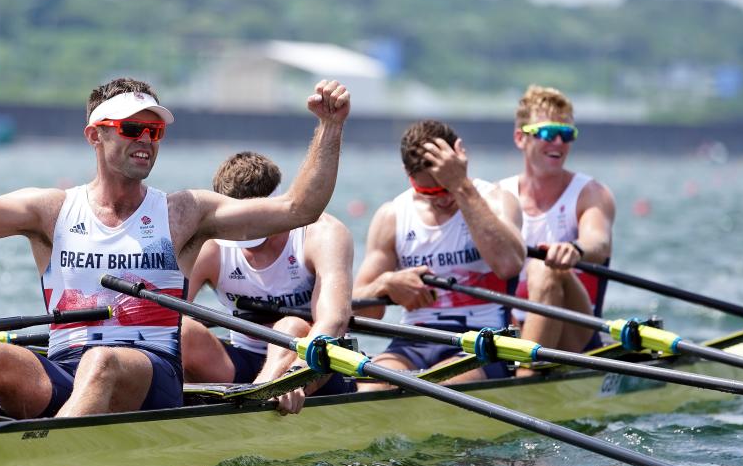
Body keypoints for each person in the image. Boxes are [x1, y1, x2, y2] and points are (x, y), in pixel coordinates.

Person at [0, 71, 350, 419]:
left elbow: (299, 208)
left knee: (101, 362)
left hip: (151, 375)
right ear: (95, 136)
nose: (145, 139)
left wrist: (330, 126)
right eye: (131, 128)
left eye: (154, 130)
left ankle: (49, 456)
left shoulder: (184, 213)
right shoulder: (49, 211)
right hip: (66, 368)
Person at [352, 119, 525, 387]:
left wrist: (461, 186)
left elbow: (509, 265)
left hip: (483, 340)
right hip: (414, 341)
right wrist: (385, 284)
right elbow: (359, 310)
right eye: (428, 191)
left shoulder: (496, 200)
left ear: (460, 156)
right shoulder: (392, 215)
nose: (443, 199)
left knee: (437, 388)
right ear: (407, 174)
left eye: (446, 188)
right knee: (368, 389)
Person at [182, 151, 354, 415]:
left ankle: (264, 392)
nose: (247, 237)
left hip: (310, 365)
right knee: (182, 330)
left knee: (290, 326)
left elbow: (334, 322)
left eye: (257, 228)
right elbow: (163, 320)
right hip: (238, 364)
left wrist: (296, 375)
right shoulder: (211, 246)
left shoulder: (322, 234)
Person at [498, 85, 616, 353]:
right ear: (520, 138)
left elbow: (598, 241)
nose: (559, 143)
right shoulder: (497, 196)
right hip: (510, 325)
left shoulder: (591, 194)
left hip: (576, 332)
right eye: (549, 133)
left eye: (566, 134)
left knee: (545, 268)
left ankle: (525, 378)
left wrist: (575, 249)